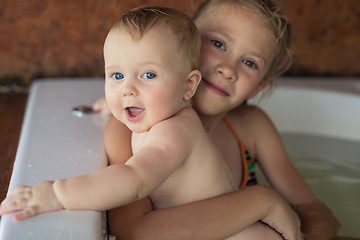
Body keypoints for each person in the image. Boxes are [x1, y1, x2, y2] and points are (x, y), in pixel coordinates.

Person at [0, 6, 302, 240]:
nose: (227, 68)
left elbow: (134, 180)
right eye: (117, 76)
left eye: (148, 75)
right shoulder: (157, 119)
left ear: (188, 84)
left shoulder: (176, 129)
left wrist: (57, 193)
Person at [94, 1, 341, 240]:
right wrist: (262, 202)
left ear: (257, 87)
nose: (228, 69)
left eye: (249, 63)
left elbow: (317, 215)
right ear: (183, 39)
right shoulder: (128, 131)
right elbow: (133, 232)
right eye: (217, 43)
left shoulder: (251, 127)